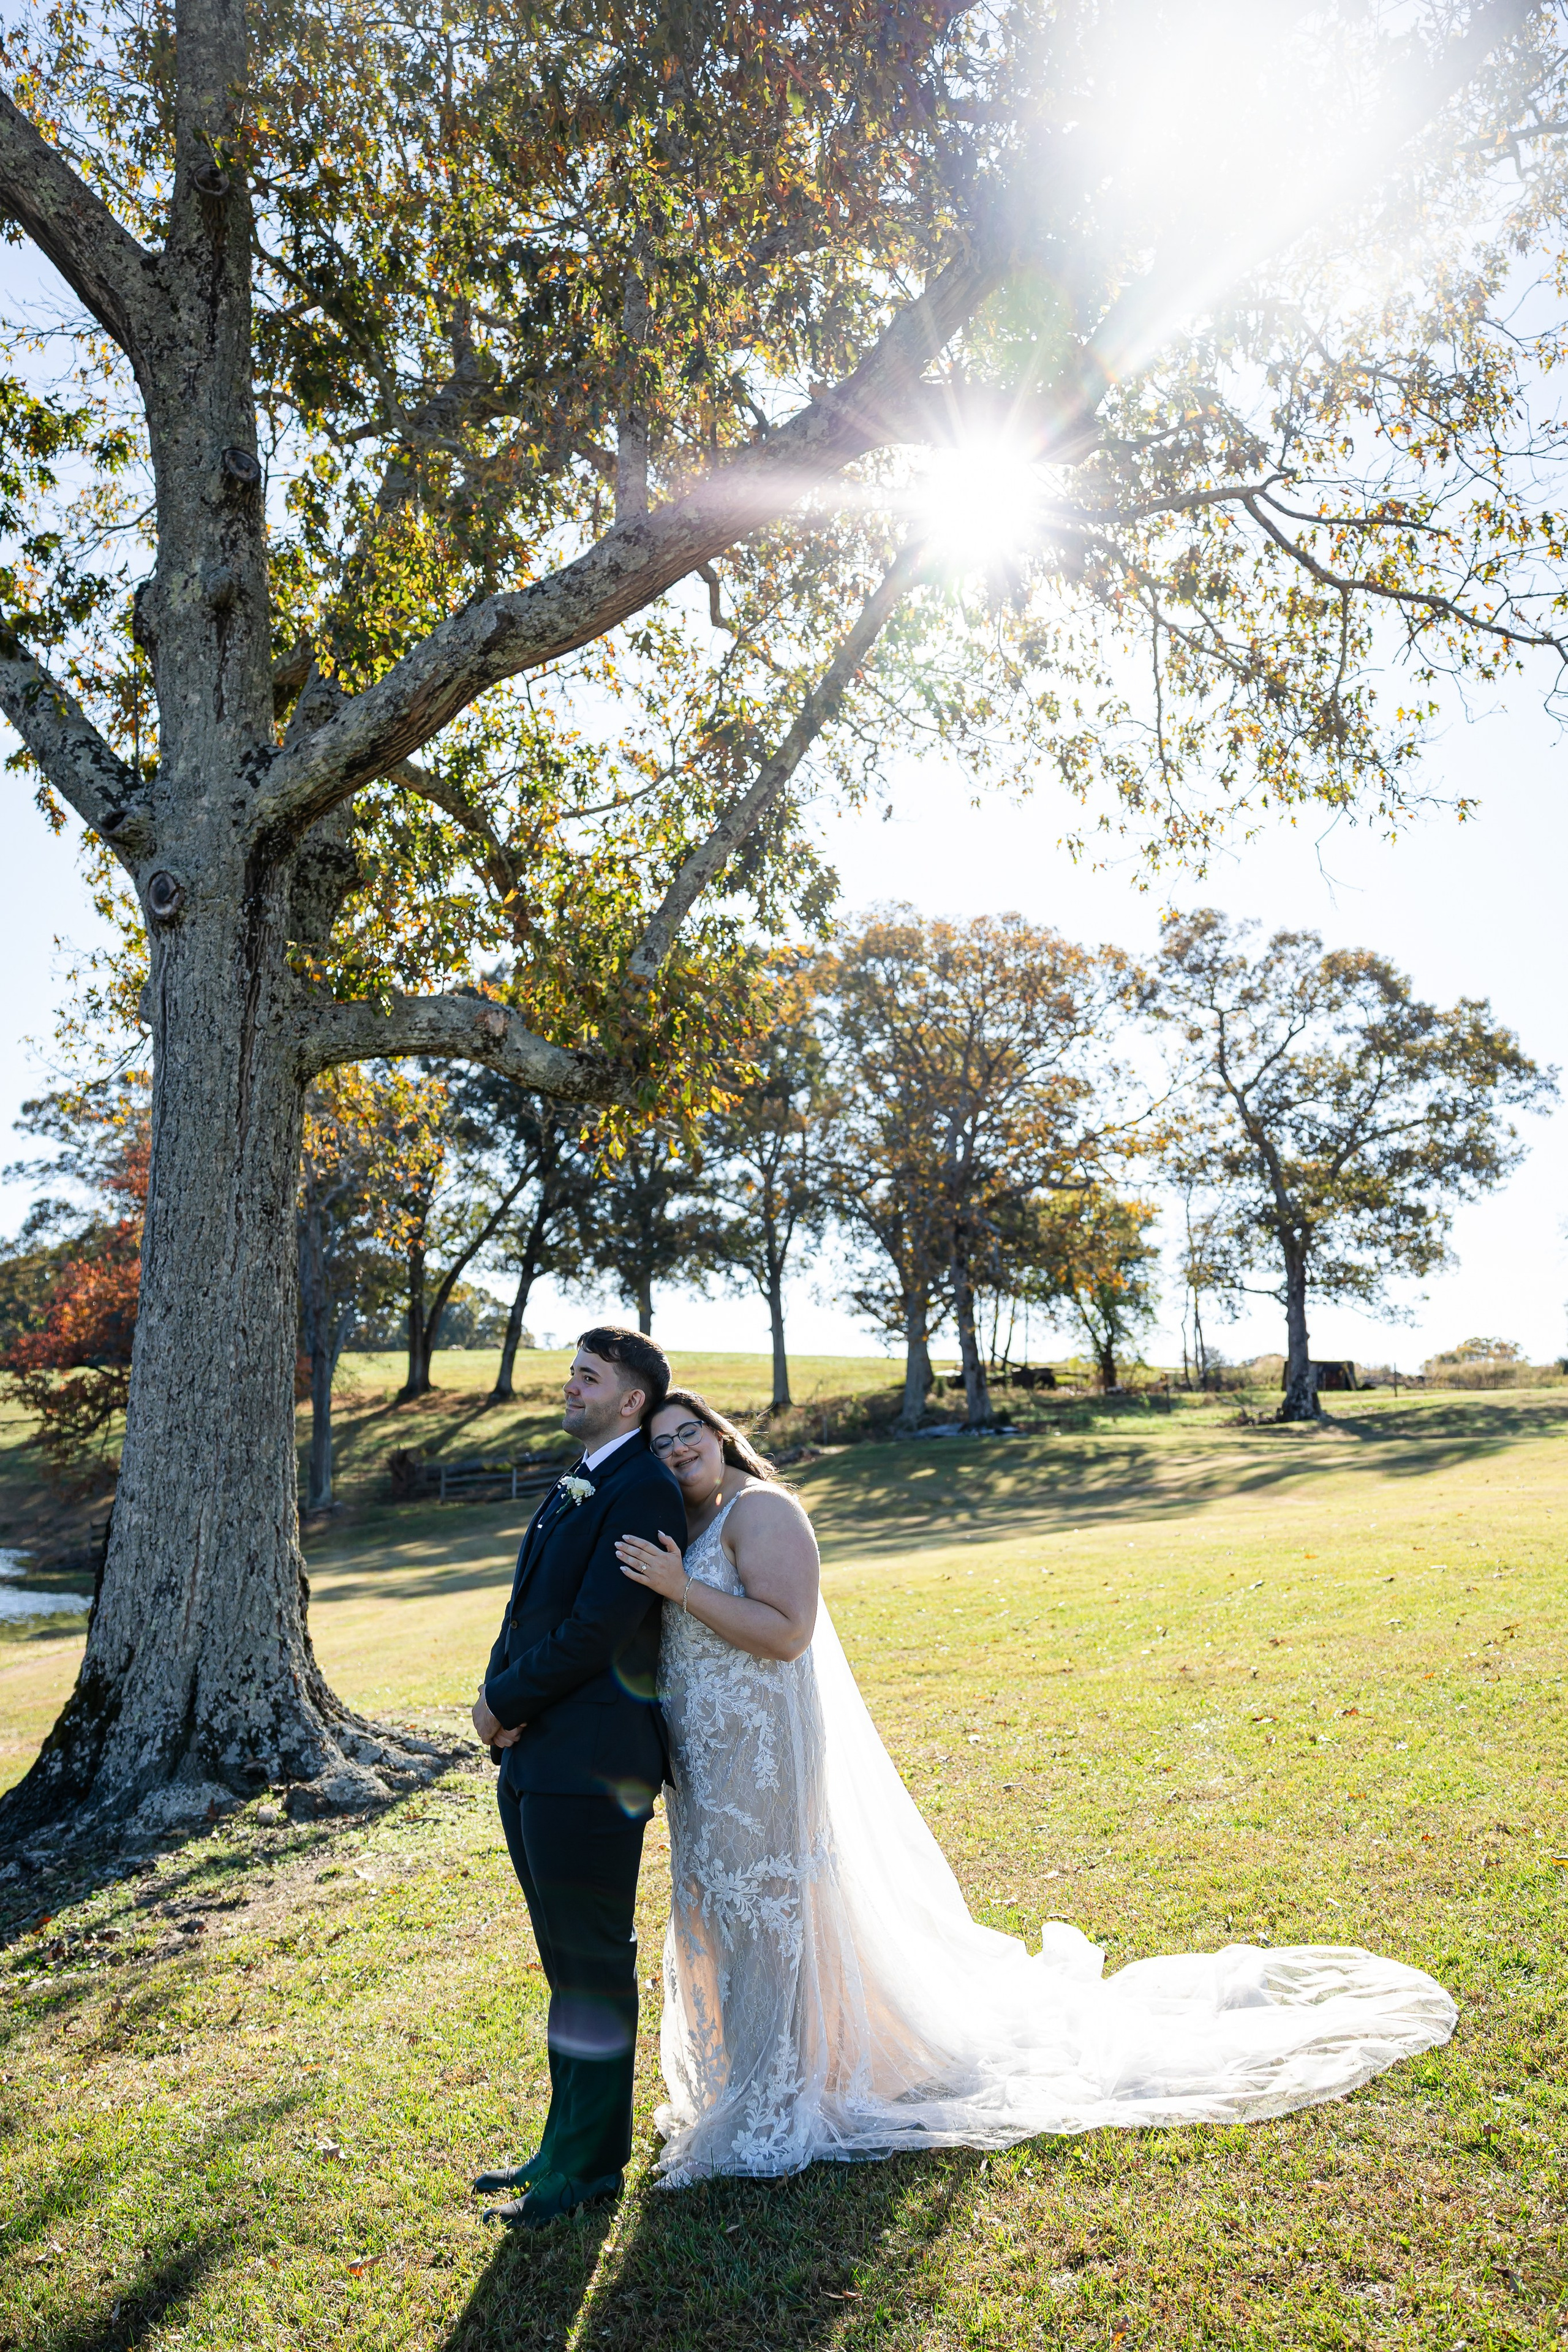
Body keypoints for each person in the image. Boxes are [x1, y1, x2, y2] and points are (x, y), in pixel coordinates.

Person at [616, 1390, 1457, 2186]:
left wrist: (681, 1589)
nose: (676, 1448)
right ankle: (754, 2081)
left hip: (767, 1757)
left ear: (723, 1436)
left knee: (772, 1906)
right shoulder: (678, 1524)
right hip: (708, 1764)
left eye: (689, 1431)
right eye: (659, 1443)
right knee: (724, 1909)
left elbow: (790, 1632)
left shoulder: (761, 1510)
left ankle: (777, 2100)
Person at [470, 1327, 686, 2229]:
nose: (570, 1386)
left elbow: (596, 1632)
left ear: (630, 1399)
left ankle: (592, 2169)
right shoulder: (584, 1478)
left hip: (593, 1764)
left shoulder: (642, 1488)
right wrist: (498, 1696)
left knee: (593, 1967)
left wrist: (502, 1701)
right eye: (572, 1373)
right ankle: (561, 2145)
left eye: (587, 1377)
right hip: (536, 1755)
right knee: (564, 1967)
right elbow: (532, 1609)